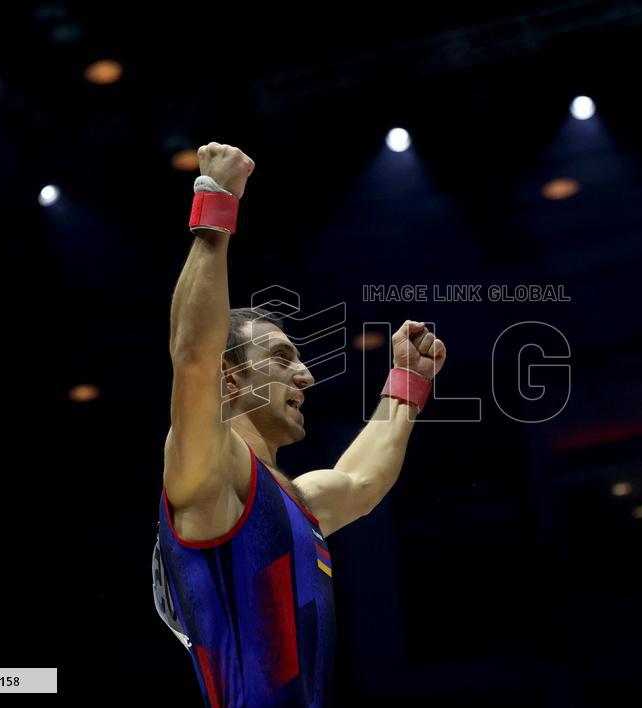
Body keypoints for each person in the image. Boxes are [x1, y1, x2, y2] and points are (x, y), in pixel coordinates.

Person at [151, 142, 447, 707]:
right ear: (231, 380)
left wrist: (407, 384)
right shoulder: (206, 474)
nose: (306, 376)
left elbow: (361, 484)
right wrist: (215, 204)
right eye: (282, 358)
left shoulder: (293, 501)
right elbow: (192, 358)